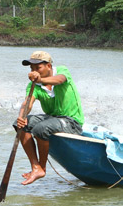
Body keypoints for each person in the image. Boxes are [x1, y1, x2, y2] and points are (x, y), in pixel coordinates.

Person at [14, 50, 84, 185]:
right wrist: (21, 116)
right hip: (52, 118)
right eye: (32, 68)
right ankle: (36, 167)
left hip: (71, 121)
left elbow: (60, 80)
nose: (34, 71)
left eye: (38, 67)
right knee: (20, 125)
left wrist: (41, 79)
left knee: (41, 129)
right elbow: (27, 102)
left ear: (49, 66)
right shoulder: (34, 85)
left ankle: (43, 167)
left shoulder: (61, 70)